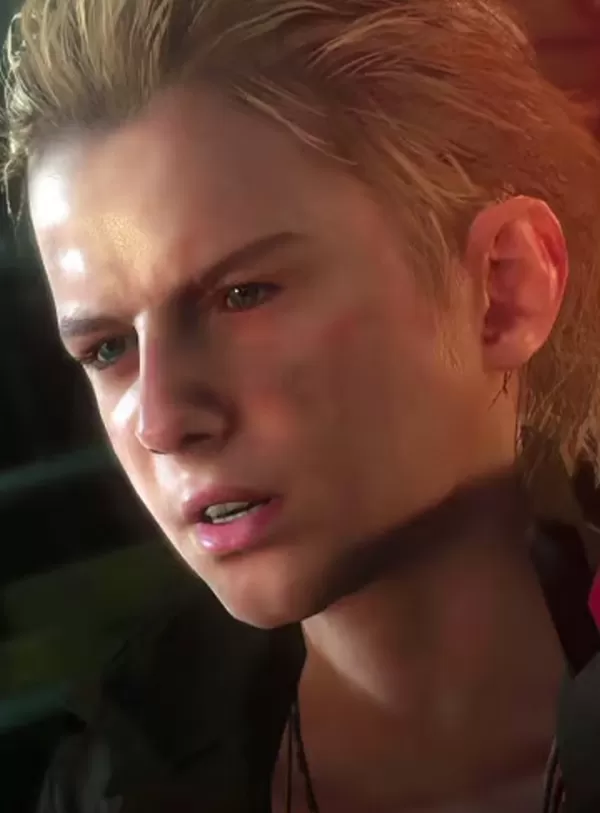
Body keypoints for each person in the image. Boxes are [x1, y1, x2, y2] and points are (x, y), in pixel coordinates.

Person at [3, 0, 600, 810]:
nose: (161, 420)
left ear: (503, 287)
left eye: (244, 294)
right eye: (108, 348)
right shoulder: (105, 789)